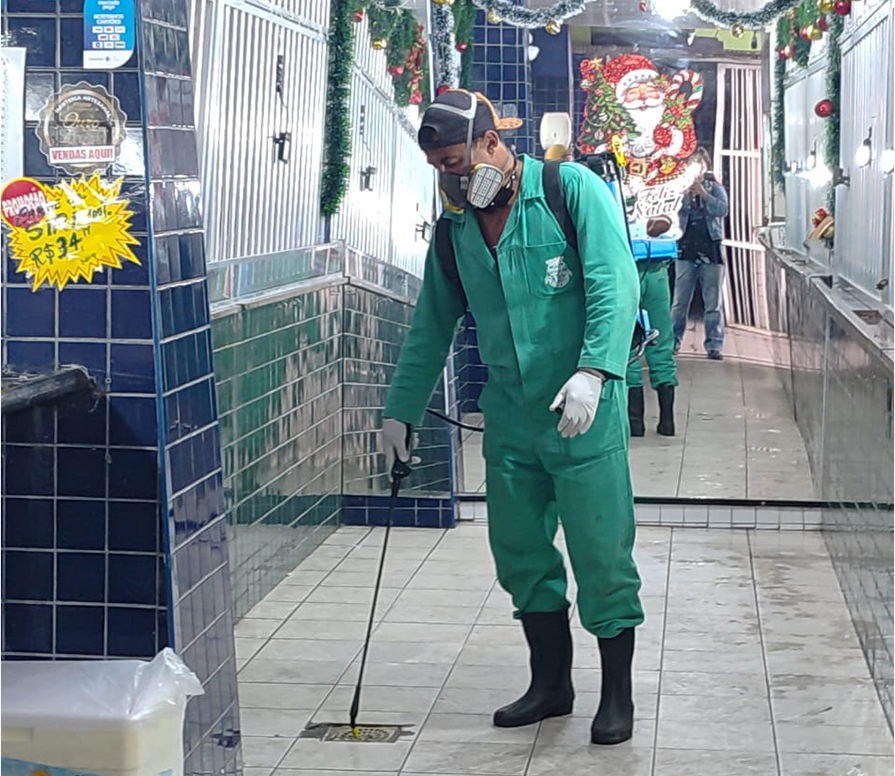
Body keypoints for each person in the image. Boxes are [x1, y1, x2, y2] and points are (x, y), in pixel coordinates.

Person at [380, 89, 644, 746]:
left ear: (492, 143)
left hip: (582, 408)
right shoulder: (456, 230)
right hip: (509, 419)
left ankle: (617, 697)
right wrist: (400, 413)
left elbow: (616, 282)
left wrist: (595, 371)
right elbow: (430, 324)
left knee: (600, 553)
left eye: (457, 163)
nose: (452, 177)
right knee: (520, 553)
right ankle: (551, 684)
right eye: (440, 168)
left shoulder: (568, 191)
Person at [670, 147, 729, 360]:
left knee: (713, 302)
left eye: (701, 163)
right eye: (693, 163)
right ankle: (673, 343)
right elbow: (673, 211)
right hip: (686, 249)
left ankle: (714, 345)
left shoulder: (715, 188)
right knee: (680, 301)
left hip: (710, 250)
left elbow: (723, 210)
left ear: (707, 166)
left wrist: (704, 195)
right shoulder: (680, 188)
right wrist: (686, 193)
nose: (697, 167)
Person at [625, 245, 677, 437]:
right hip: (658, 270)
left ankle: (635, 422)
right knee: (661, 344)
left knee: (630, 345)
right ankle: (667, 421)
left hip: (627, 270)